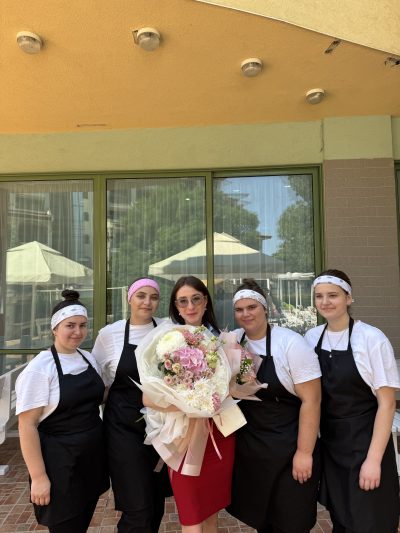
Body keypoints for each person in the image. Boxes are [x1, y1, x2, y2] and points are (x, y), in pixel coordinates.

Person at [304, 269, 400, 533]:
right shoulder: (311, 338)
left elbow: (387, 404)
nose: (325, 302)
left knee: (370, 520)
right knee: (342, 518)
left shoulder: (371, 338)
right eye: (319, 296)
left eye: (333, 295)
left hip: (366, 441)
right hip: (332, 445)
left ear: (349, 298)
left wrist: (373, 460)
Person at [227, 278, 321, 533]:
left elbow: (312, 400)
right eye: (239, 309)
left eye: (252, 307)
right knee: (263, 519)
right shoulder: (234, 341)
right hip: (252, 448)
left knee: (292, 521)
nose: (246, 314)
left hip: (290, 446)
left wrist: (304, 453)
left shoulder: (290, 343)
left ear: (265, 308)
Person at [16, 289, 109, 533]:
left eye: (83, 325)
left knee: (82, 523)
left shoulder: (88, 358)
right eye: (70, 325)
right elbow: (27, 425)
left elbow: (97, 397)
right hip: (60, 466)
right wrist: (38, 477)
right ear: (55, 328)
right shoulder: (40, 368)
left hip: (91, 461)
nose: (78, 332)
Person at [92, 277, 171, 533]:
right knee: (137, 507)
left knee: (155, 502)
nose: (147, 302)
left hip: (161, 430)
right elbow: (98, 382)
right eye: (141, 296)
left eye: (154, 297)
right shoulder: (109, 334)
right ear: (129, 298)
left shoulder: (168, 330)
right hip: (122, 430)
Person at [165, 275, 235, 532]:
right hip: (184, 435)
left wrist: (243, 374)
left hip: (220, 432)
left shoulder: (223, 340)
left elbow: (239, 382)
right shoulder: (166, 341)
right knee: (192, 517)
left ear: (206, 302)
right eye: (183, 301)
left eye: (196, 299)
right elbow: (150, 396)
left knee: (211, 513)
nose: (190, 306)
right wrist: (190, 404)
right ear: (176, 307)